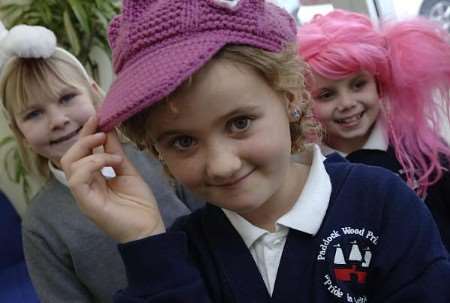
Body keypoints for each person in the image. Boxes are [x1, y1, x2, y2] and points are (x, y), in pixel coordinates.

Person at [62, 0, 450, 302]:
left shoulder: (381, 202)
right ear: (154, 147)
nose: (222, 164)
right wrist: (143, 239)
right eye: (183, 141)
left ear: (291, 98)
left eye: (240, 123)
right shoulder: (178, 254)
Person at [0, 23, 200, 303]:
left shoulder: (158, 158)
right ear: (19, 132)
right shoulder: (39, 225)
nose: (58, 120)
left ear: (94, 93)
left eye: (68, 98)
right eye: (33, 114)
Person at [297, 9, 450, 251]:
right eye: (326, 94)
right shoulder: (305, 172)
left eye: (358, 85)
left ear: (379, 83)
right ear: (305, 101)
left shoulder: (423, 153)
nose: (347, 103)